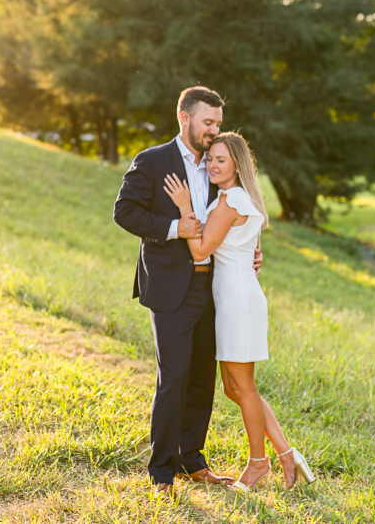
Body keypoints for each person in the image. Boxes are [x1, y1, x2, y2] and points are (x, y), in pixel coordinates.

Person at [113, 86, 262, 499]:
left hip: (214, 286)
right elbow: (123, 211)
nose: (215, 130)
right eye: (208, 122)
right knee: (173, 377)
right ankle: (161, 471)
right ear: (185, 118)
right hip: (169, 286)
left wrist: (251, 251)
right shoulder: (153, 160)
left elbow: (231, 217)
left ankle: (192, 461)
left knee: (202, 378)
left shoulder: (218, 167)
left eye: (218, 122)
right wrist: (176, 227)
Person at [163, 132, 316, 492]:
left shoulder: (230, 200)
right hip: (235, 297)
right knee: (234, 388)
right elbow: (245, 250)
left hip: (237, 301)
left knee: (243, 387)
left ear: (237, 165)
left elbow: (200, 251)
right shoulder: (238, 198)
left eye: (221, 160)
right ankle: (286, 454)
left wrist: (185, 208)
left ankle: (257, 464)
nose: (213, 165)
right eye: (210, 159)